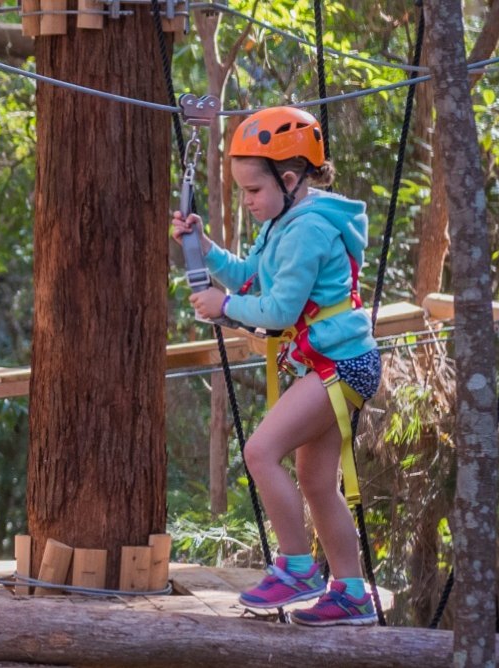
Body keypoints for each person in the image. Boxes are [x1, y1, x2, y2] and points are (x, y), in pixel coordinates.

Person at [173, 107, 384, 626]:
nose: (247, 202)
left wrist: (224, 308)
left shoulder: (307, 230)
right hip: (334, 362)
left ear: (289, 181)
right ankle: (352, 593)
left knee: (261, 451)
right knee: (315, 482)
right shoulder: (285, 222)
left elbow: (280, 311)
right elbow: (249, 277)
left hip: (340, 364)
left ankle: (296, 567)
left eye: (252, 191)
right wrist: (205, 249)